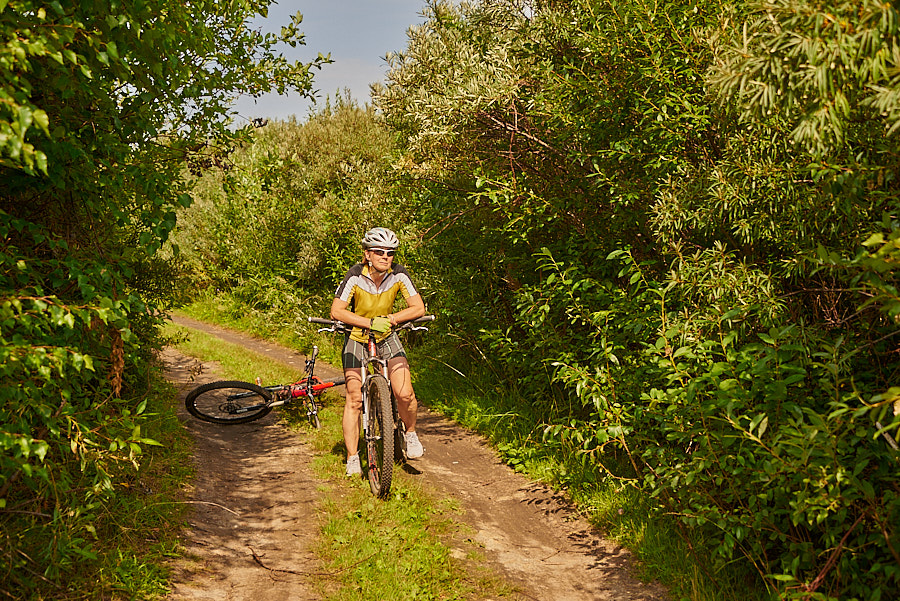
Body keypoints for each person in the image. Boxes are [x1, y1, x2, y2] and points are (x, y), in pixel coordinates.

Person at [330, 227, 427, 476]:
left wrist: (392, 319)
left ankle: (410, 433)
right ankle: (353, 457)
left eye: (390, 252)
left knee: (405, 393)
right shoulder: (354, 275)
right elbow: (337, 311)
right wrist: (369, 322)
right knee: (353, 399)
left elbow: (418, 307)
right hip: (357, 337)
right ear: (367, 254)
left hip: (387, 335)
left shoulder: (398, 275)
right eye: (379, 251)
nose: (385, 256)